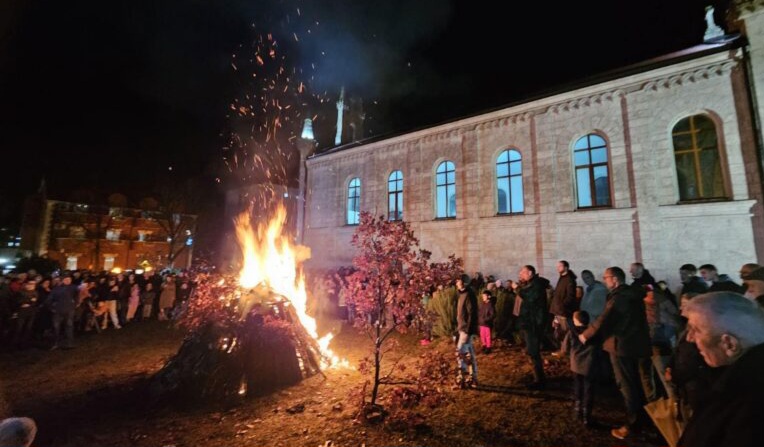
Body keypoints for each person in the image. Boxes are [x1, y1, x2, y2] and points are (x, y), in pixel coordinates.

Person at [678, 292, 764, 447]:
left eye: (696, 330)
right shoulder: (729, 381)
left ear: (729, 344)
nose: (689, 338)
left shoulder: (746, 402)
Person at [579, 266, 651, 440]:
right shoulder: (632, 294)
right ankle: (643, 419)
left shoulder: (620, 297)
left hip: (622, 346)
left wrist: (586, 334)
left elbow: (605, 318)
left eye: (606, 277)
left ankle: (634, 426)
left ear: (615, 279)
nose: (605, 280)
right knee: (636, 384)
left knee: (627, 385)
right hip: (636, 344)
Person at [513, 265, 550, 390]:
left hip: (533, 324)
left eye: (522, 272)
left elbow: (529, 297)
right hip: (530, 323)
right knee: (532, 351)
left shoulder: (537, 285)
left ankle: (539, 380)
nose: (520, 275)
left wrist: (517, 288)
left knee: (533, 352)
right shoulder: (532, 284)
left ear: (530, 273)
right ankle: (538, 377)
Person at [565, 310, 601, 427]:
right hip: (590, 366)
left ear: (576, 321)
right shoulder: (593, 333)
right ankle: (587, 416)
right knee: (589, 390)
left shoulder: (572, 333)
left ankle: (577, 411)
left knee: (578, 387)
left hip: (576, 366)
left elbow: (565, 348)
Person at [550, 260, 578, 355]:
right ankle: (563, 350)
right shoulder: (562, 278)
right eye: (557, 266)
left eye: (560, 266)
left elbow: (570, 296)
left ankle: (566, 351)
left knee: (565, 332)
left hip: (564, 312)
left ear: (566, 267)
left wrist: (562, 306)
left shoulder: (569, 279)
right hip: (559, 311)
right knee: (559, 332)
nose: (558, 268)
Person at [455, 275, 478, 388]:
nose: (456, 283)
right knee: (469, 354)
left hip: (466, 329)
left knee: (461, 353)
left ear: (463, 282)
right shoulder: (462, 294)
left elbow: (472, 314)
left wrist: (468, 330)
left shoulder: (469, 295)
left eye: (458, 281)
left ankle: (461, 379)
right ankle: (473, 378)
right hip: (462, 328)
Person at [478, 289, 495, 354]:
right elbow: (479, 312)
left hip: (487, 323)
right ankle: (484, 345)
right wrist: (479, 319)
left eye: (484, 296)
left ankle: (488, 347)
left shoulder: (490, 305)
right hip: (481, 323)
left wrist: (486, 319)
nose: (483, 297)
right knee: (482, 335)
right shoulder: (482, 304)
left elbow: (492, 315)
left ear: (489, 296)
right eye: (483, 296)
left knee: (487, 335)